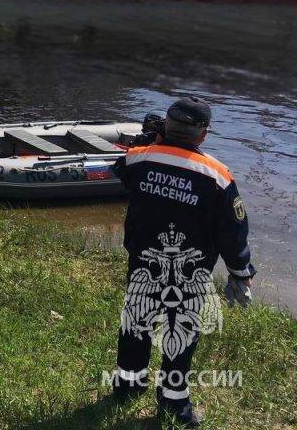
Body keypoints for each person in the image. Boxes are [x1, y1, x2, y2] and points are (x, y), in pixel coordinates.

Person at [110, 97, 255, 427]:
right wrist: (240, 271)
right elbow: (233, 231)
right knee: (182, 331)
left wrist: (151, 141)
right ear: (202, 135)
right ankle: (175, 405)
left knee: (136, 323)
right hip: (190, 271)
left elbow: (122, 171)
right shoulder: (217, 176)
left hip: (143, 261)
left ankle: (127, 386)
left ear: (167, 124)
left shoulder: (139, 158)